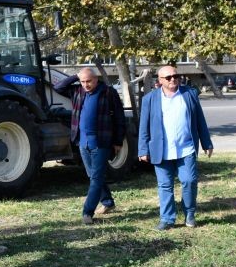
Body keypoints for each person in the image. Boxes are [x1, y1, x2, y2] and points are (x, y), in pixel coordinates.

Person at [138, 65, 213, 230]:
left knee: (189, 181)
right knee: (165, 186)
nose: (173, 79)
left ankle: (189, 214)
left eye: (176, 76)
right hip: (161, 151)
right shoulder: (149, 99)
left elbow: (200, 120)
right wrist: (143, 149)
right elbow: (144, 126)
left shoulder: (189, 94)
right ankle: (167, 219)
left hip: (186, 148)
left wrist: (206, 142)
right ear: (160, 80)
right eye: (168, 77)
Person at [54, 67, 126, 225]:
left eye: (89, 81)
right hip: (83, 142)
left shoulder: (108, 92)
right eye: (83, 81)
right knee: (93, 176)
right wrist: (76, 76)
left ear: (96, 79)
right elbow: (58, 87)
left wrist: (118, 141)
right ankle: (108, 202)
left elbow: (119, 118)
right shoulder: (78, 92)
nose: (86, 84)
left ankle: (87, 212)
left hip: (101, 142)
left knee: (96, 178)